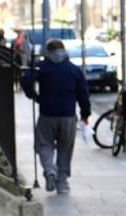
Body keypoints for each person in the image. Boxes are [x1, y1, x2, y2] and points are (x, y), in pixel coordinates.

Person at [21, 38, 91, 194]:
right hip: (68, 115)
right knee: (65, 147)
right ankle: (62, 181)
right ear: (64, 51)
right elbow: (83, 93)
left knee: (44, 144)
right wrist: (86, 113)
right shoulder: (74, 69)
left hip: (47, 113)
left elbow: (26, 79)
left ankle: (49, 169)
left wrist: (34, 95)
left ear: (47, 51)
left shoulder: (42, 67)